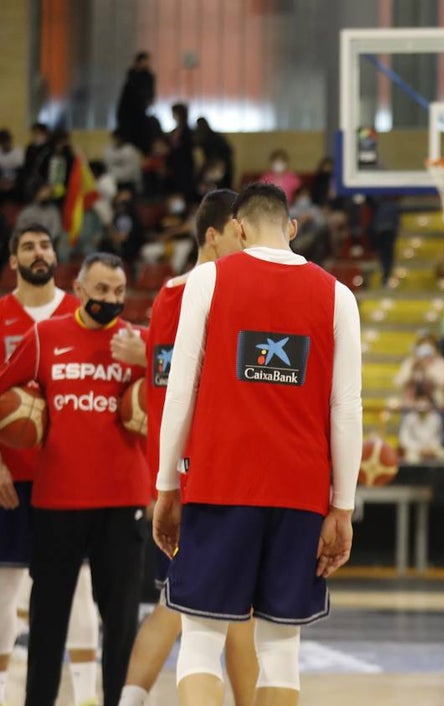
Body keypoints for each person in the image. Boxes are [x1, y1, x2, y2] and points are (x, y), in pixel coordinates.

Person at [152, 183, 362, 705]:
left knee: (200, 641)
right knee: (281, 650)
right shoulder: (338, 295)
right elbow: (346, 408)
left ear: (238, 229)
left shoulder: (208, 279)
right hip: (300, 491)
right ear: (292, 228)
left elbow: (180, 390)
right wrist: (342, 506)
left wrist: (166, 485)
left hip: (219, 482)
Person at [117, 190, 258, 706]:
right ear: (214, 236)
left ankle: (130, 699)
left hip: (178, 474)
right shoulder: (214, 293)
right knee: (197, 612)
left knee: (204, 609)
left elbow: (167, 379)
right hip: (209, 476)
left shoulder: (167, 295)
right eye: (240, 235)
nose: (247, 245)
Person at [0, 251, 151, 706]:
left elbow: (188, 396)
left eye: (119, 291)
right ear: (79, 289)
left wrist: (148, 359)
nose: (111, 298)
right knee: (47, 623)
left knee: (120, 624)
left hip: (123, 501)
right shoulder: (45, 336)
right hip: (57, 501)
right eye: (101, 289)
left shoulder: (140, 342)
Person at [0, 225, 100, 706]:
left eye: (45, 245)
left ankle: (86, 698)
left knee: (79, 589)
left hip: (68, 479)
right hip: (12, 479)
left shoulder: (81, 314)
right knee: (4, 590)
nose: (38, 253)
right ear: (13, 261)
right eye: (28, 247)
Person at [115, 52, 156, 155]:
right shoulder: (132, 76)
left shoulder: (147, 77)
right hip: (130, 113)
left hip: (139, 113)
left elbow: (150, 95)